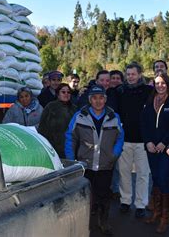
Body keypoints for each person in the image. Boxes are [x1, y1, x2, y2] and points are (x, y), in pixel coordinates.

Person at [65, 85, 125, 235]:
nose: (98, 101)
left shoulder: (114, 117)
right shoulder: (80, 116)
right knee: (86, 196)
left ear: (105, 100)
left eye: (101, 98)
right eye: (94, 98)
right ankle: (86, 223)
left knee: (104, 194)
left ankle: (103, 221)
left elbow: (120, 137)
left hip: (106, 164)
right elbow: (70, 138)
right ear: (90, 100)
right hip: (86, 164)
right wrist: (72, 161)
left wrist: (115, 154)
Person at [142, 73, 169, 233]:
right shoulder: (149, 101)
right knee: (157, 179)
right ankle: (156, 213)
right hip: (152, 148)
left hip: (166, 149)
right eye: (157, 83)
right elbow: (144, 124)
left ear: (168, 84)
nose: (160, 86)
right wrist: (148, 142)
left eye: (163, 83)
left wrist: (163, 142)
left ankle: (165, 218)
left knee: (165, 179)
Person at [115, 62, 154, 218]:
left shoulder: (148, 91)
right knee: (124, 173)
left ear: (139, 74)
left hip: (143, 140)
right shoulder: (120, 91)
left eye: (133, 74)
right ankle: (125, 201)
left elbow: (165, 94)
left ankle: (140, 204)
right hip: (124, 139)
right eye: (128, 74)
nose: (130, 77)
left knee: (143, 174)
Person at [38, 83, 77, 158]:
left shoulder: (75, 109)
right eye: (63, 92)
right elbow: (42, 128)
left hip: (71, 148)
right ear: (58, 94)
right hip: (53, 148)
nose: (66, 94)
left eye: (68, 92)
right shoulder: (50, 107)